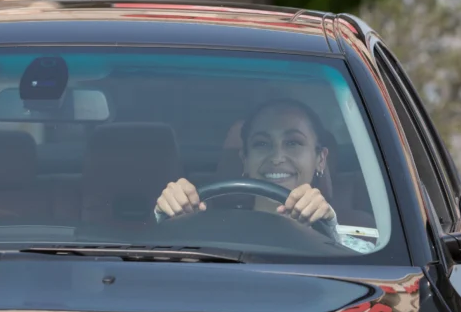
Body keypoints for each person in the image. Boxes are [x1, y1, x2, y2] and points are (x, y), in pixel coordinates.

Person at [154, 98, 375, 254]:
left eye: (293, 143)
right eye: (262, 144)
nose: (277, 157)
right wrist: (169, 222)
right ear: (245, 159)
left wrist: (328, 237)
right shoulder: (206, 235)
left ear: (320, 158)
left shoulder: (354, 244)